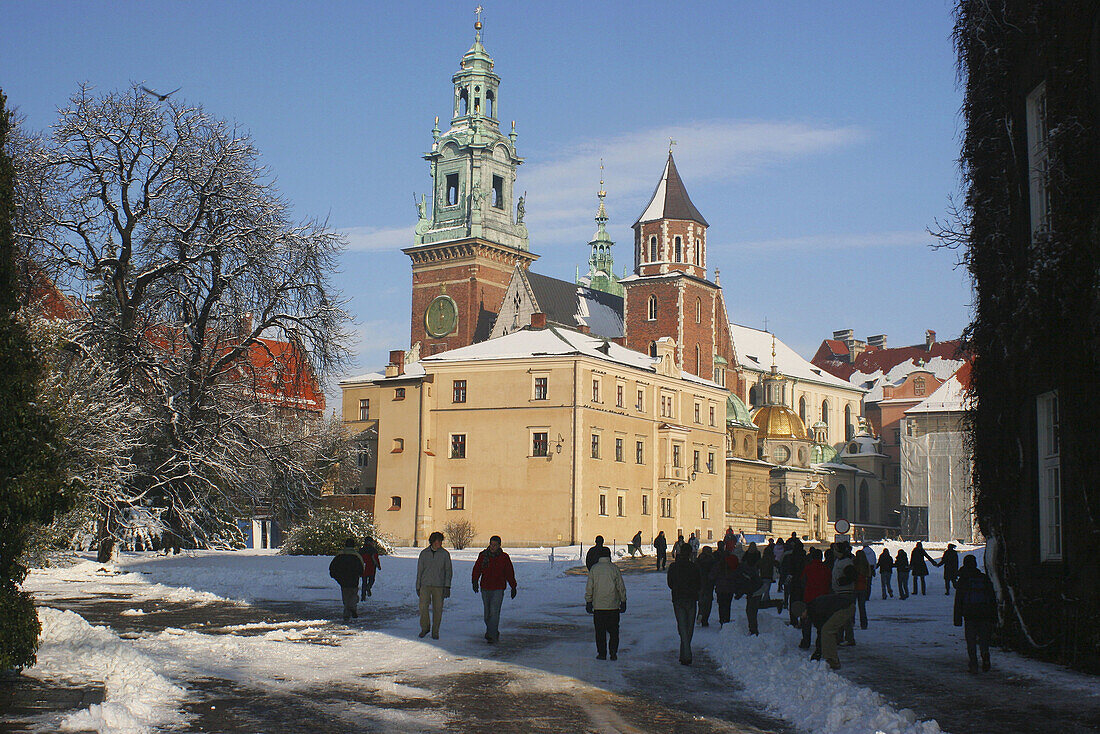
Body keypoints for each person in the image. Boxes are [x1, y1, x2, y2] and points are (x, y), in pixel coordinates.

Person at [953, 555, 996, 673]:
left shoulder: (963, 580)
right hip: (984, 613)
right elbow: (992, 597)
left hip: (969, 615)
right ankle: (985, 654)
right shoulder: (983, 578)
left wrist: (957, 618)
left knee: (971, 640)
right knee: (984, 638)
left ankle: (973, 663)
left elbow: (959, 600)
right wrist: (993, 615)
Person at [471, 535, 517, 643]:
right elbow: (477, 569)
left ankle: (492, 635)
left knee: (494, 612)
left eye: (495, 545)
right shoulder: (483, 556)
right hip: (485, 588)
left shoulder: (504, 557)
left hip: (498, 588)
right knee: (487, 614)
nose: (492, 547)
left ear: (499, 546)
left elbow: (509, 573)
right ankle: (492, 631)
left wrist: (513, 586)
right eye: (491, 544)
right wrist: (474, 581)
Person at [585, 546, 627, 660]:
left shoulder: (594, 569)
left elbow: (590, 588)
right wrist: (623, 601)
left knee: (600, 632)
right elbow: (620, 587)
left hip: (598, 607)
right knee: (614, 631)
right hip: (613, 606)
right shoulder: (614, 569)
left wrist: (589, 601)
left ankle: (602, 653)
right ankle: (613, 652)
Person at [798, 592, 856, 670]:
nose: (802, 617)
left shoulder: (814, 610)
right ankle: (830, 658)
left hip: (846, 607)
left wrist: (818, 652)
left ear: (803, 610)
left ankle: (833, 661)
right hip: (845, 605)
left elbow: (820, 630)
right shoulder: (812, 607)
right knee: (827, 630)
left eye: (801, 615)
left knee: (827, 630)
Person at [666, 545, 701, 664]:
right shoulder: (694, 567)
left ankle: (685, 653)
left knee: (682, 626)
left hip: (678, 598)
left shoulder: (674, 567)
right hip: (691, 598)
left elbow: (670, 583)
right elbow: (699, 583)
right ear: (690, 553)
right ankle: (687, 654)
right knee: (689, 627)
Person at [416, 531, 452, 639]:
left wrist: (447, 586)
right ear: (432, 541)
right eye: (437, 541)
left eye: (440, 541)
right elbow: (420, 571)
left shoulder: (445, 554)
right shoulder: (424, 553)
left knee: (438, 609)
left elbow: (448, 571)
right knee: (423, 608)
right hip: (425, 584)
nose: (439, 543)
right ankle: (425, 627)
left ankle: (435, 631)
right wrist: (418, 586)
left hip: (439, 586)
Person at [743, 554, 783, 635]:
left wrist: (739, 594)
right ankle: (777, 603)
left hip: (756, 587)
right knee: (757, 605)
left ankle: (753, 630)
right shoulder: (771, 560)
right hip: (761, 583)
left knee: (751, 610)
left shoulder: (743, 572)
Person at [799, 547, 830, 649]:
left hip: (809, 598)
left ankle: (806, 641)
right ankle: (819, 643)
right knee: (821, 623)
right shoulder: (826, 568)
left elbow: (802, 581)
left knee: (807, 622)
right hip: (823, 599)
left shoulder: (808, 567)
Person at [329, 538, 365, 621]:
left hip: (343, 579)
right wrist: (360, 574)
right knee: (353, 593)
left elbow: (332, 566)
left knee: (345, 595)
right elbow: (362, 567)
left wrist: (335, 575)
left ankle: (346, 612)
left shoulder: (340, 554)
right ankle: (352, 607)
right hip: (354, 578)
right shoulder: (357, 555)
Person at [831, 542, 857, 646]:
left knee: (845, 617)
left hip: (845, 592)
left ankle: (849, 638)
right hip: (839, 592)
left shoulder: (846, 562)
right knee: (840, 616)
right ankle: (840, 637)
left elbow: (852, 576)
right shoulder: (839, 561)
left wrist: (841, 581)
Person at [710, 542, 740, 627]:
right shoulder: (732, 564)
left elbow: (712, 575)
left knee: (721, 604)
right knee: (727, 604)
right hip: (730, 587)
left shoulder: (718, 565)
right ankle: (726, 619)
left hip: (720, 587)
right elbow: (736, 574)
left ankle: (722, 619)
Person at [695, 545, 717, 626]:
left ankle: (700, 613)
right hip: (709, 583)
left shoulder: (699, 559)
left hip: (700, 583)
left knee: (701, 601)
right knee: (708, 602)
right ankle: (705, 619)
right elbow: (715, 571)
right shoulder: (712, 560)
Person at [853, 544, 872, 630]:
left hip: (854, 588)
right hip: (863, 588)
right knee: (862, 608)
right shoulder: (865, 565)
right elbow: (868, 575)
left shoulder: (854, 564)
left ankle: (852, 622)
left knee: (852, 608)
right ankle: (864, 624)